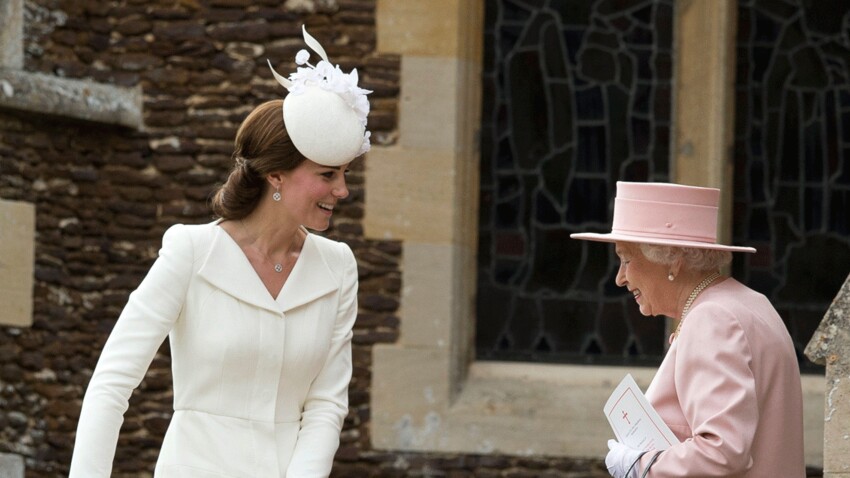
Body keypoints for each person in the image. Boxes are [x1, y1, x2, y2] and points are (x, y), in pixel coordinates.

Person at [69, 26, 371, 477]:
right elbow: (112, 383)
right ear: (276, 175)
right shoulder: (191, 251)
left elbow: (327, 405)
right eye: (328, 175)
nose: (343, 190)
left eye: (345, 173)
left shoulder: (338, 267)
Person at [571, 181, 805, 478]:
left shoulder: (713, 319)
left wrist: (641, 466)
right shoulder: (748, 302)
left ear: (672, 260)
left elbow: (722, 452)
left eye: (627, 259)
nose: (620, 278)